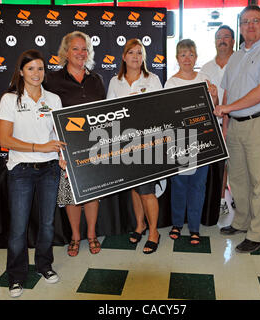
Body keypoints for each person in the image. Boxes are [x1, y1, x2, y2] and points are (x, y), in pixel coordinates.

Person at [213, 5, 260, 253]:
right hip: (235, 125)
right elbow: (227, 92)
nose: (250, 26)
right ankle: (241, 221)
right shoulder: (235, 56)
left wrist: (228, 107)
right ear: (240, 27)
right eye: (245, 22)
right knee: (238, 179)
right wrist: (225, 124)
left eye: (255, 21)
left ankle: (257, 233)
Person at [0, 49, 66, 298]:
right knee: (18, 227)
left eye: (40, 68)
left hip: (49, 169)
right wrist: (39, 147)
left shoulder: (54, 99)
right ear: (21, 71)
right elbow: (4, 139)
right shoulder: (10, 99)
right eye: (31, 68)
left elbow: (59, 137)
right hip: (21, 170)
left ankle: (44, 266)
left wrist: (61, 157)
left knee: (47, 224)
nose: (36, 73)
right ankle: (16, 276)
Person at [44, 31, 106, 256]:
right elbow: (47, 114)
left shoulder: (96, 79)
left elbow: (104, 113)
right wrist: (57, 148)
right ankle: (75, 236)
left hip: (93, 145)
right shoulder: (52, 79)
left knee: (91, 192)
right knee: (71, 195)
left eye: (84, 49)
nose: (81, 53)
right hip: (67, 147)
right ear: (66, 52)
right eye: (76, 48)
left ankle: (91, 235)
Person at [107, 38, 162, 254]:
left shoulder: (153, 79)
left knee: (147, 191)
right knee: (134, 188)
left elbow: (160, 109)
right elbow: (109, 112)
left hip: (148, 142)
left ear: (143, 58)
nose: (136, 56)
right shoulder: (115, 81)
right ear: (123, 56)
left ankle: (154, 232)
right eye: (131, 52)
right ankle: (140, 225)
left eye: (139, 53)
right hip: (125, 143)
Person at [164, 39, 218, 245]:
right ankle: (177, 224)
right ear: (177, 58)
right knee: (179, 184)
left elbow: (214, 108)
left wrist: (214, 96)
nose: (187, 59)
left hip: (203, 138)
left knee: (198, 185)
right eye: (183, 55)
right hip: (179, 140)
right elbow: (167, 113)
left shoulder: (204, 78)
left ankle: (194, 227)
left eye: (191, 54)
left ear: (196, 57)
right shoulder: (171, 82)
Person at [200, 25, 235, 216]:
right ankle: (220, 199)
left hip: (237, 121)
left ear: (233, 40)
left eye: (226, 36)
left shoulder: (240, 63)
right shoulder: (206, 68)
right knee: (219, 166)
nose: (222, 40)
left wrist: (228, 123)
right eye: (218, 37)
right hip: (212, 124)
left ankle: (236, 198)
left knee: (236, 165)